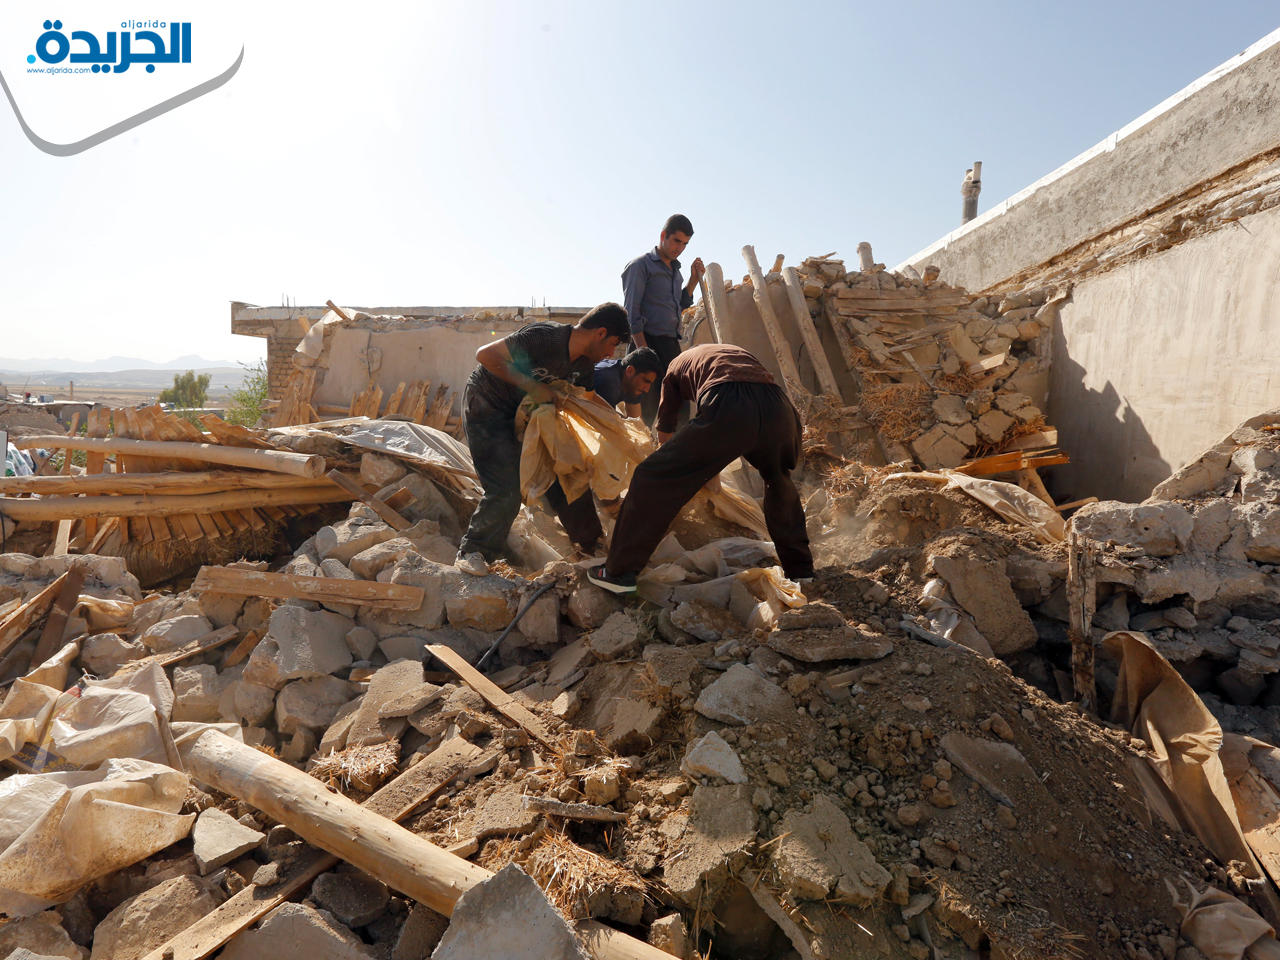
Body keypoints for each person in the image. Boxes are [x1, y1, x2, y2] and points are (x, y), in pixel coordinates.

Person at [587, 343, 813, 594]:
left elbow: (666, 434)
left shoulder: (674, 369)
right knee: (778, 480)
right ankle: (801, 571)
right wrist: (708, 467)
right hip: (780, 409)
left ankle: (618, 574)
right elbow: (719, 440)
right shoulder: (729, 353)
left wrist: (686, 471)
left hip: (731, 404)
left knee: (650, 476)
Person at [457, 303, 630, 575]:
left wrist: (621, 425)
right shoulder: (545, 338)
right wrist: (534, 387)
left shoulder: (584, 365)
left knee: (568, 473)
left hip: (528, 416)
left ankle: (590, 546)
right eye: (613, 344)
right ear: (600, 332)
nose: (611, 354)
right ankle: (473, 551)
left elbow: (589, 398)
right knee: (507, 487)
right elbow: (486, 355)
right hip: (487, 407)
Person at [621, 214, 705, 425]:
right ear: (663, 236)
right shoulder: (640, 266)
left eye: (685, 244)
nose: (680, 248)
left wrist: (693, 280)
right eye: (676, 241)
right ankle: (643, 455)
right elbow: (632, 312)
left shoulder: (676, 273)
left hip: (670, 345)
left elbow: (679, 307)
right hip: (646, 343)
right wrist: (644, 353)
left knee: (678, 406)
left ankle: (674, 454)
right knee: (646, 411)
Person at [592, 347, 661, 418]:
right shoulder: (609, 381)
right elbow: (603, 421)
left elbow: (635, 421)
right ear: (630, 371)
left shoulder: (633, 385)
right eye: (646, 381)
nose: (647, 390)